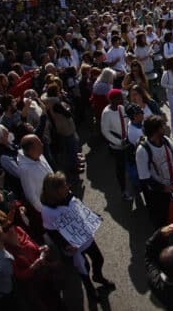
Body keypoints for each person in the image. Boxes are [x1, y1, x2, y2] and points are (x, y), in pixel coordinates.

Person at [40, 172, 115, 300]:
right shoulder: (48, 211)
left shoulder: (68, 195)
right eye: (63, 186)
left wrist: (93, 215)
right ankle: (90, 289)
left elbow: (80, 208)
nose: (67, 187)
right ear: (55, 192)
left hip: (85, 236)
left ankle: (97, 276)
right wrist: (66, 245)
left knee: (98, 259)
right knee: (84, 267)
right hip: (73, 245)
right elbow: (52, 232)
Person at [136, 115, 173, 228]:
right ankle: (164, 238)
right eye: (162, 127)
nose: (164, 128)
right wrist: (164, 188)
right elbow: (145, 178)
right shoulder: (142, 151)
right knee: (162, 217)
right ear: (155, 131)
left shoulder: (165, 140)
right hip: (158, 192)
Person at [100, 88, 132, 201]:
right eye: (119, 98)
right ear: (112, 100)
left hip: (127, 142)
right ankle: (123, 190)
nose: (122, 99)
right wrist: (119, 142)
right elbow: (105, 131)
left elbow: (127, 121)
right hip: (117, 146)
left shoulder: (121, 108)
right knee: (120, 168)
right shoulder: (106, 113)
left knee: (131, 164)